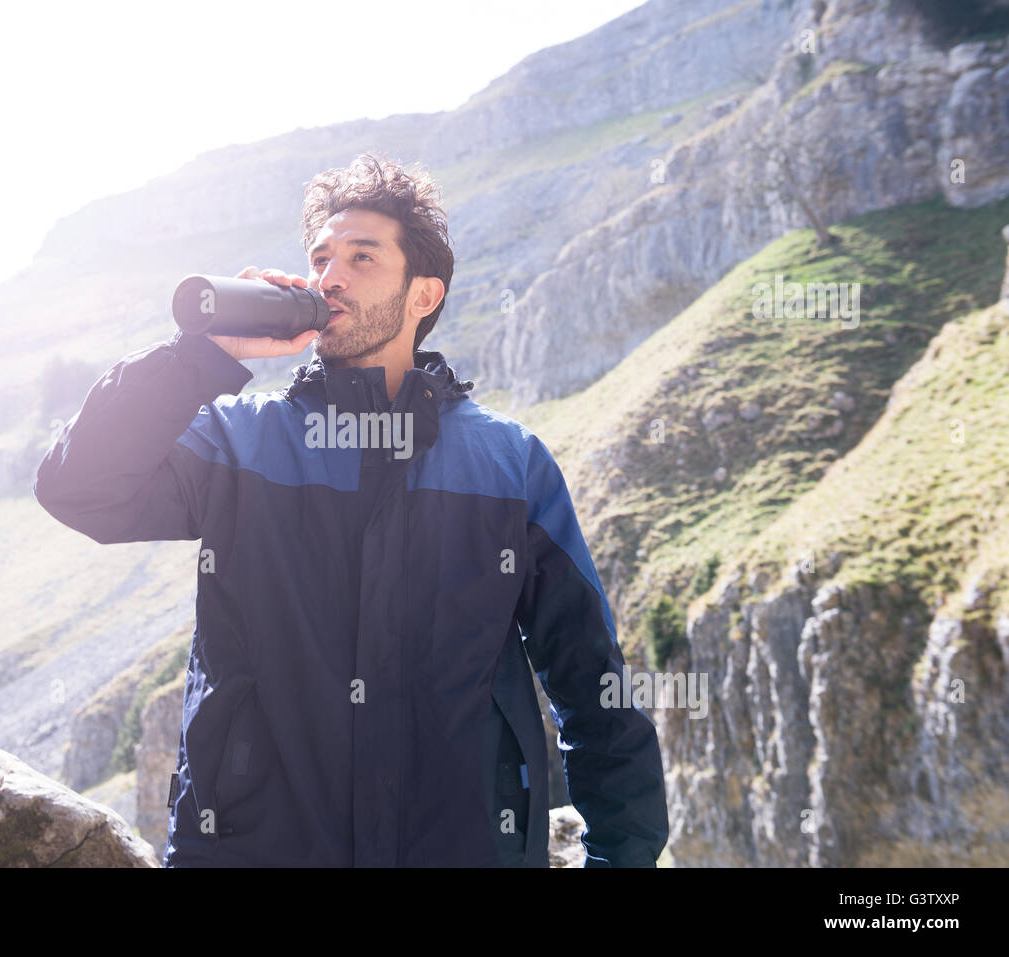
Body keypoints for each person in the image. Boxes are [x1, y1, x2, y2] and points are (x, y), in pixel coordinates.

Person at [33, 152, 668, 867]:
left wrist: (619, 859)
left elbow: (594, 690)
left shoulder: (510, 467)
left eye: (362, 257)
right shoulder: (239, 440)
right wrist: (199, 357)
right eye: (321, 256)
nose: (330, 276)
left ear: (424, 294)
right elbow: (78, 488)